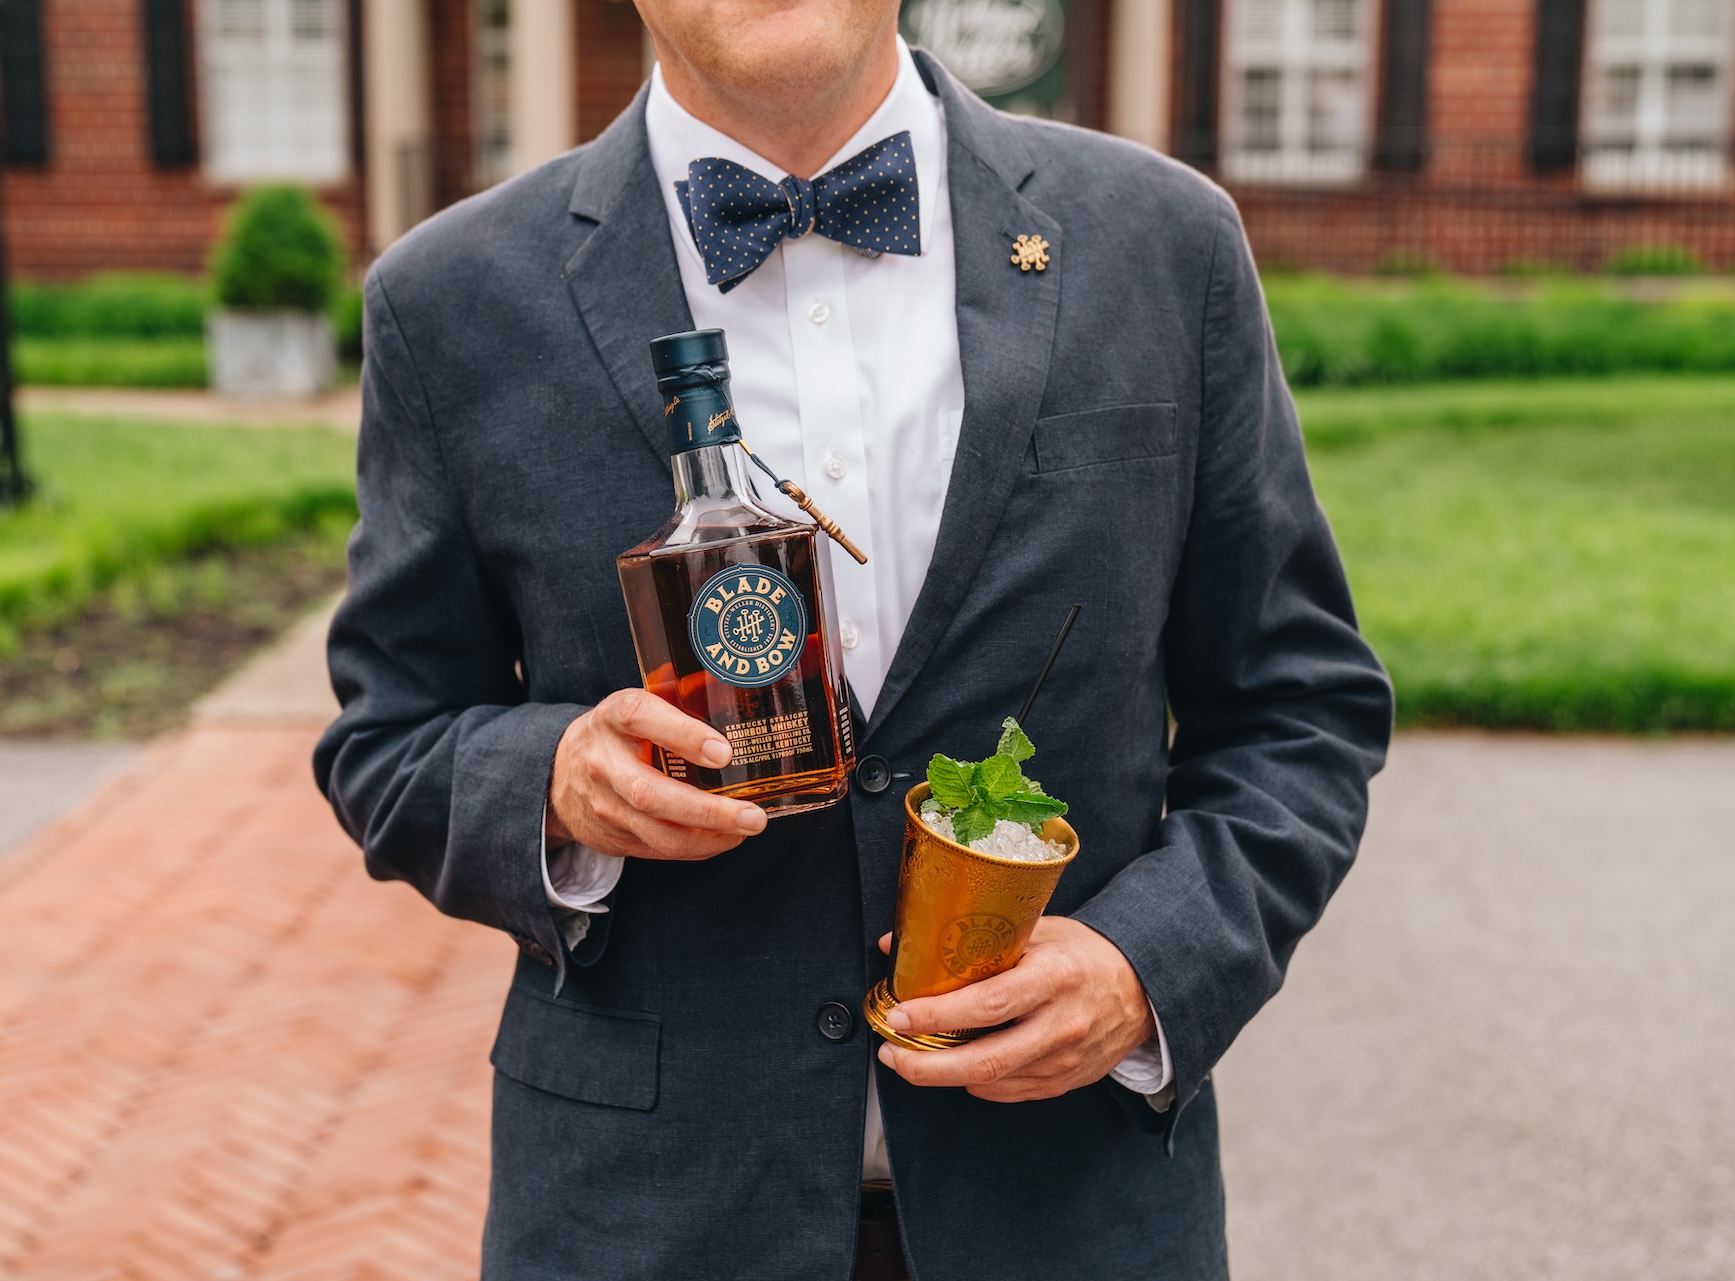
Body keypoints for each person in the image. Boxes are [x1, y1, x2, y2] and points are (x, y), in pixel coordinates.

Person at [313, 0, 1392, 1276]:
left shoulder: (1166, 245)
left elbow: (1299, 709)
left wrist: (1140, 967)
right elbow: (386, 741)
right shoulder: (451, 299)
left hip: (1072, 1209)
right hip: (646, 1220)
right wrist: (551, 783)